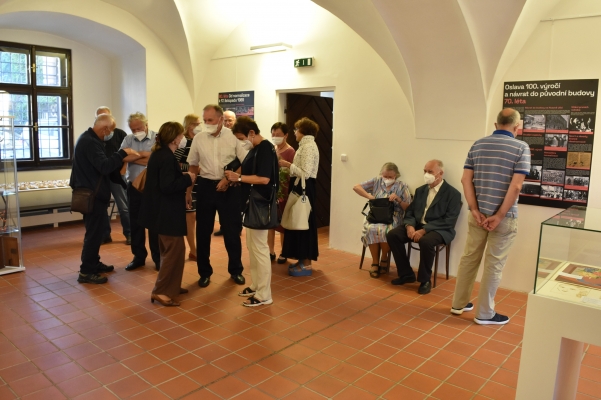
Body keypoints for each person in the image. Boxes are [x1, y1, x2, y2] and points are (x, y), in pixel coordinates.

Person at [451, 108, 530, 325]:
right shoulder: (521, 147)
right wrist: (499, 215)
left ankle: (459, 303)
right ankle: (485, 314)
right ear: (517, 127)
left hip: (478, 215)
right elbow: (515, 186)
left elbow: (465, 179)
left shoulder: (478, 144)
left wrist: (475, 210)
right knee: (493, 264)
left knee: (469, 258)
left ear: (496, 125)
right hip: (503, 219)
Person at [70, 114, 139, 284]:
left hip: (95, 194)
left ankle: (94, 263)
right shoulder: (90, 142)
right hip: (91, 195)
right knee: (94, 233)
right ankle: (86, 272)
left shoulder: (91, 139)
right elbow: (104, 166)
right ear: (105, 129)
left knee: (97, 230)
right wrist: (122, 153)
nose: (111, 135)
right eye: (111, 131)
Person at [187, 104, 247, 287]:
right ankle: (204, 272)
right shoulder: (199, 138)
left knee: (231, 232)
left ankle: (236, 270)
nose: (207, 124)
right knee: (203, 232)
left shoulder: (233, 137)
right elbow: (193, 166)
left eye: (210, 120)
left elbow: (245, 162)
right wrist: (188, 191)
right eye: (205, 120)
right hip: (205, 186)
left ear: (221, 119)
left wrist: (228, 180)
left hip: (229, 188)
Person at [139, 121, 196, 306]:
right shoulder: (165, 157)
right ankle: (161, 291)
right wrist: (188, 178)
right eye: (180, 136)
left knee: (174, 251)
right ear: (174, 138)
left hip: (162, 212)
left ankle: (172, 286)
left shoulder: (161, 154)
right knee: (173, 251)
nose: (182, 139)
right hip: (166, 213)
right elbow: (167, 186)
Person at [225, 117, 278, 306]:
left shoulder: (264, 149)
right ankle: (256, 285)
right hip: (252, 204)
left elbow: (264, 179)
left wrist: (238, 178)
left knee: (260, 249)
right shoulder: (255, 149)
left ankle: (264, 294)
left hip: (260, 204)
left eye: (241, 138)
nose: (241, 142)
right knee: (253, 247)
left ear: (252, 133)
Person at [386, 160, 461, 295]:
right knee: (393, 235)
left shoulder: (453, 194)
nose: (426, 174)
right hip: (418, 225)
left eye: (430, 171)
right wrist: (409, 226)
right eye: (425, 171)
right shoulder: (420, 190)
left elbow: (449, 220)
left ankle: (425, 280)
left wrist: (424, 230)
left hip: (440, 229)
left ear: (440, 173)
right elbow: (410, 212)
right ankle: (406, 274)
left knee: (426, 241)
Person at [353, 162, 411, 278]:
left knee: (387, 230)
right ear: (381, 174)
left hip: (393, 216)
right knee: (371, 229)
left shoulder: (402, 186)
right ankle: (375, 262)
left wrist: (398, 199)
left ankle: (384, 258)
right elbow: (356, 187)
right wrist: (369, 196)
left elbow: (408, 208)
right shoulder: (376, 181)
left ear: (396, 176)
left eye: (391, 177)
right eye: (385, 176)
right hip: (375, 215)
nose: (387, 179)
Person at [278, 117, 320, 276]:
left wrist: (288, 165)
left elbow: (306, 173)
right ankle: (302, 259)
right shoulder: (305, 145)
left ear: (303, 131)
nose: (295, 132)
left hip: (305, 188)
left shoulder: (308, 146)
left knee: (303, 223)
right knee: (298, 222)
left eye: (296, 129)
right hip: (301, 186)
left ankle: (307, 263)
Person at [121, 112, 161, 271]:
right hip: (134, 186)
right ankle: (138, 257)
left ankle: (157, 257)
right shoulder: (128, 139)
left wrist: (135, 155)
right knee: (135, 222)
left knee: (154, 224)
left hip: (153, 187)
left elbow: (157, 159)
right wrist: (145, 156)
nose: (136, 131)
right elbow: (123, 157)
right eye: (133, 129)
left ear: (146, 125)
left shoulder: (158, 137)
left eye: (139, 128)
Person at [95, 106, 131, 246]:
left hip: (117, 175)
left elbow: (126, 153)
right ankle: (105, 235)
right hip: (101, 177)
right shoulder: (95, 136)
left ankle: (129, 234)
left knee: (123, 206)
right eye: (100, 117)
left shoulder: (120, 134)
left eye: (106, 116)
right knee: (102, 207)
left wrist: (123, 170)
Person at [174, 113, 201, 261]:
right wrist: (194, 167)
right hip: (187, 183)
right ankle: (193, 250)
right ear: (190, 125)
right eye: (198, 123)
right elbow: (174, 163)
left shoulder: (201, 139)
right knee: (190, 218)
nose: (201, 125)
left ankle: (197, 248)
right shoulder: (183, 141)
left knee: (197, 218)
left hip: (200, 184)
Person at [268, 122, 295, 264]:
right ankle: (270, 251)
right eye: (273, 134)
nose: (275, 136)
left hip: (284, 191)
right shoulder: (273, 149)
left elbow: (293, 171)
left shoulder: (290, 151)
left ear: (285, 135)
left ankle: (284, 252)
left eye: (278, 134)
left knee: (283, 224)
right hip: (272, 190)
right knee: (271, 223)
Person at [214, 110, 238, 237]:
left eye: (230, 120)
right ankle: (224, 227)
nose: (227, 123)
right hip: (220, 177)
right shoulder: (219, 136)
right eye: (225, 120)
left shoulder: (238, 136)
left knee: (234, 208)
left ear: (235, 121)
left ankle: (235, 228)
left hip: (235, 179)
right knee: (222, 207)